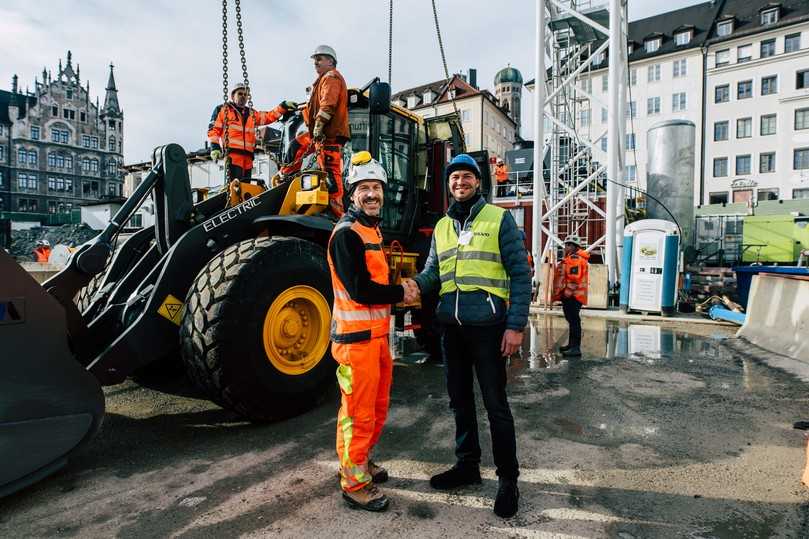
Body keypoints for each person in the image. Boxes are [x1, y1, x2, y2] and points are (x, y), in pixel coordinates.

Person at [407, 153, 531, 518]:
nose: (459, 183)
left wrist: (515, 326)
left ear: (478, 182)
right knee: (459, 402)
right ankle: (467, 467)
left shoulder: (498, 219)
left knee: (496, 406)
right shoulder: (443, 225)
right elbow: (433, 273)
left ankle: (508, 480)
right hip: (453, 330)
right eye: (454, 178)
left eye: (466, 177)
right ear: (448, 184)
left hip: (490, 330)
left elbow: (521, 275)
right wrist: (412, 285)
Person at [328, 150, 418, 512]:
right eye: (363, 187)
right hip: (355, 344)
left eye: (376, 187)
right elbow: (360, 290)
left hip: (376, 339)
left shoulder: (371, 230)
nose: (371, 194)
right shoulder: (347, 234)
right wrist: (402, 293)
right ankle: (354, 483)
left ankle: (362, 460)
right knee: (357, 414)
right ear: (352, 194)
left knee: (377, 409)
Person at [207, 82, 297, 181]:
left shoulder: (252, 113)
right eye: (240, 94)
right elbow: (214, 129)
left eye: (245, 94)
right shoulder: (223, 110)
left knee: (246, 190)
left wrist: (282, 107)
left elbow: (268, 117)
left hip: (248, 159)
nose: (243, 96)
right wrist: (214, 147)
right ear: (233, 96)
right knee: (234, 189)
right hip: (233, 157)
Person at [307, 45, 349, 217]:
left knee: (332, 175)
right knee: (327, 175)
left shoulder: (331, 78)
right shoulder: (322, 81)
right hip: (324, 137)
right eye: (315, 59)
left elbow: (328, 104)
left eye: (319, 58)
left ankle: (336, 213)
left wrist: (319, 125)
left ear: (331, 61)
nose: (315, 62)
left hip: (329, 136)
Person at [552, 235, 590, 357]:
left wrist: (567, 293)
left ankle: (575, 348)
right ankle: (572, 345)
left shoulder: (575, 259)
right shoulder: (571, 259)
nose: (565, 247)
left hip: (573, 296)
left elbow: (574, 278)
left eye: (568, 245)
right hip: (571, 296)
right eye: (565, 244)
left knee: (574, 321)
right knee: (572, 321)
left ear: (574, 247)